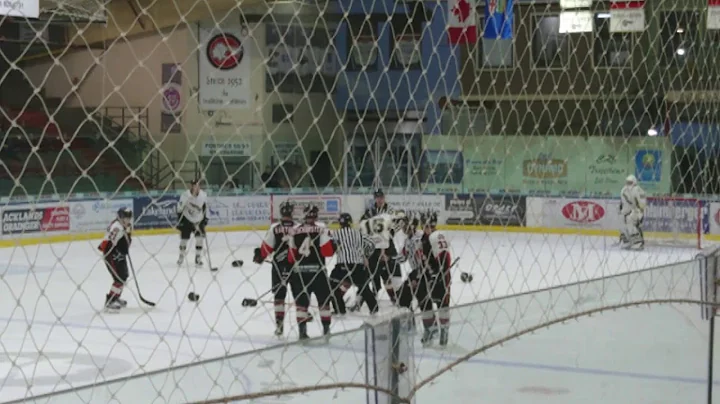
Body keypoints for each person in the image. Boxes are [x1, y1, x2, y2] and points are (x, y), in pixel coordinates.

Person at [288, 205, 335, 340]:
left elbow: (291, 257)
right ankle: (326, 330)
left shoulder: (295, 230)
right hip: (318, 272)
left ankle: (302, 332)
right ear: (316, 215)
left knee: (301, 305)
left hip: (300, 274)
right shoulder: (322, 229)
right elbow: (327, 251)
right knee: (324, 302)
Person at [253, 201, 297, 336]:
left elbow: (266, 247)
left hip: (278, 266)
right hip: (296, 267)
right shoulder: (299, 227)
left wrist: (259, 256)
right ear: (292, 212)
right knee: (299, 295)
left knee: (279, 297)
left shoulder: (274, 228)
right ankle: (303, 320)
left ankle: (279, 325)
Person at [415, 211, 453, 346]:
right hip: (426, 276)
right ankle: (430, 329)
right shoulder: (424, 238)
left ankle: (444, 332)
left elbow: (445, 257)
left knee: (442, 305)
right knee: (424, 303)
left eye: (427, 224)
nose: (425, 228)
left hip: (440, 277)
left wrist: (440, 273)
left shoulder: (436, 236)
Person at [329, 212, 378, 315]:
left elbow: (331, 249)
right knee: (364, 288)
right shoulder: (358, 233)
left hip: (343, 265)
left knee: (332, 286)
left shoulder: (336, 233)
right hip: (358, 265)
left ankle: (340, 309)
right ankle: (374, 309)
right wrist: (365, 255)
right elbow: (371, 244)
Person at [360, 189, 401, 303]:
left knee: (388, 272)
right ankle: (367, 296)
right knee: (371, 272)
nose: (380, 199)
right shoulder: (370, 211)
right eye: (377, 197)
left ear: (384, 197)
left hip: (387, 245)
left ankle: (394, 296)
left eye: (381, 197)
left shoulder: (390, 210)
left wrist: (388, 235)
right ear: (375, 198)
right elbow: (363, 224)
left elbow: (398, 223)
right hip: (373, 245)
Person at [98, 207, 133, 311]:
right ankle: (110, 301)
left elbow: (126, 242)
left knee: (124, 275)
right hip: (111, 255)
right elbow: (108, 244)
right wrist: (117, 252)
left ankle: (116, 297)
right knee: (118, 278)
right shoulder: (117, 227)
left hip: (118, 255)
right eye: (125, 218)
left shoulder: (125, 226)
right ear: (120, 217)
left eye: (128, 218)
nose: (127, 220)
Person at [176, 179, 208, 267]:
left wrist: (205, 219)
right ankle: (181, 256)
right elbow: (179, 208)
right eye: (194, 185)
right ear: (191, 186)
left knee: (200, 239)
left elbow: (205, 207)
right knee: (184, 240)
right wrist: (180, 221)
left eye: (197, 185)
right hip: (187, 219)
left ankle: (198, 258)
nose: (196, 187)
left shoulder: (203, 195)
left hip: (199, 219)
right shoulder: (185, 195)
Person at [620, 174, 647, 249]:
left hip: (636, 211)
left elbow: (642, 204)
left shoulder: (638, 190)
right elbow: (623, 204)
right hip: (627, 211)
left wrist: (639, 213)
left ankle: (638, 242)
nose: (628, 184)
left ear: (634, 182)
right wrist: (622, 213)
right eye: (627, 182)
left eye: (630, 182)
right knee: (621, 221)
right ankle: (626, 240)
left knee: (630, 220)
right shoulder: (623, 190)